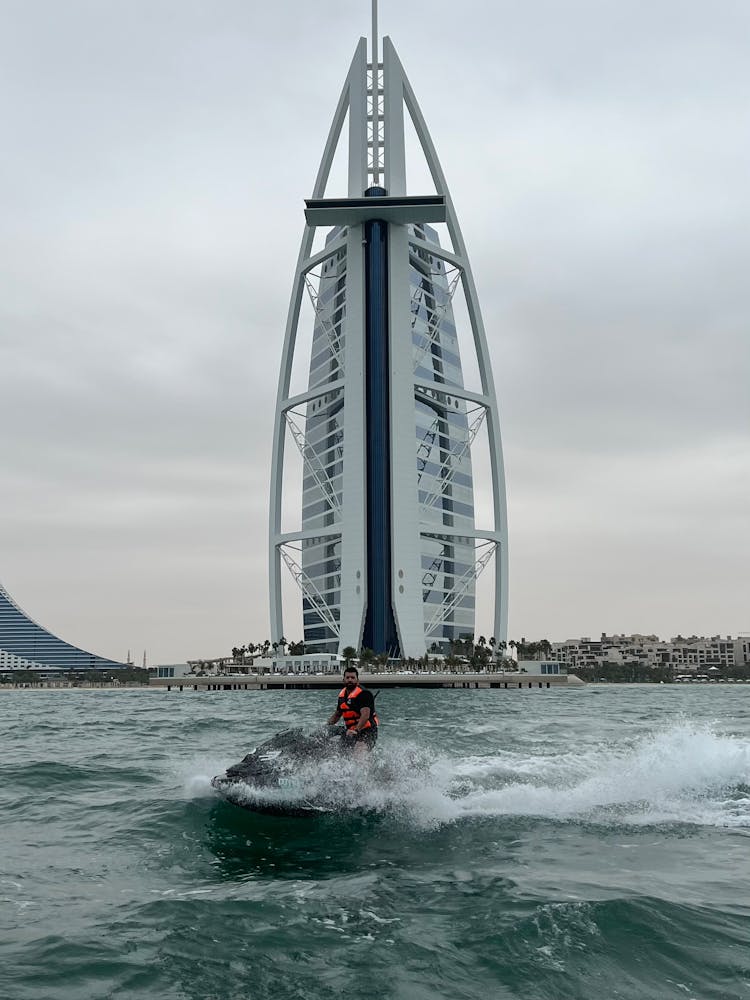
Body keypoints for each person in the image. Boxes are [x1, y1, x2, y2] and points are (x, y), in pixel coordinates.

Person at [326, 666, 378, 754]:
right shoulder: (342, 696)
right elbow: (337, 715)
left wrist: (356, 730)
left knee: (359, 751)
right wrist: (326, 727)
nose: (350, 680)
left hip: (367, 731)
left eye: (353, 678)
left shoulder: (364, 694)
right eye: (347, 678)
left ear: (357, 681)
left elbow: (365, 716)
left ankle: (364, 766)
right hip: (350, 732)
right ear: (343, 680)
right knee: (339, 752)